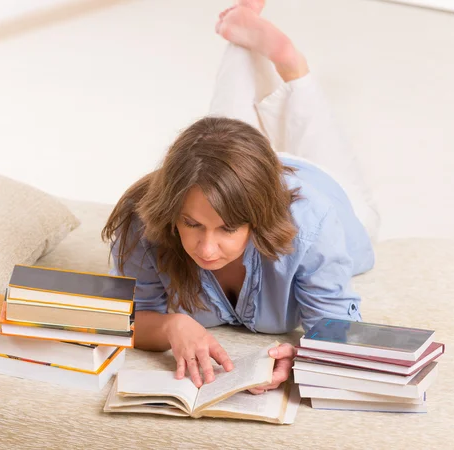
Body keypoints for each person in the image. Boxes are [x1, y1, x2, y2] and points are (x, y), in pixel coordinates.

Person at [102, 0, 380, 394]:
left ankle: (290, 62)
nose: (207, 248)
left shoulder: (313, 221)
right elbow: (127, 317)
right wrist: (171, 325)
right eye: (191, 224)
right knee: (219, 132)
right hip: (227, 177)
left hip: (322, 185)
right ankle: (243, 35)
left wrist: (306, 357)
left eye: (228, 229)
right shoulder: (148, 219)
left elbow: (335, 324)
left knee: (309, 121)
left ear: (257, 220)